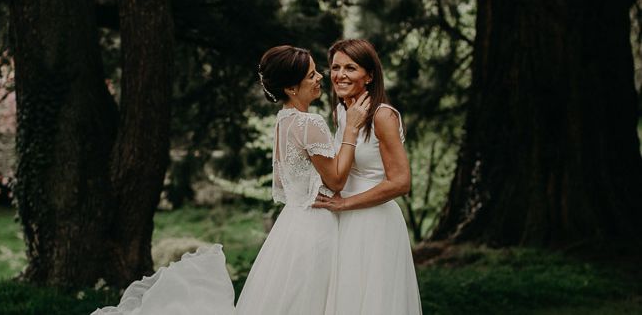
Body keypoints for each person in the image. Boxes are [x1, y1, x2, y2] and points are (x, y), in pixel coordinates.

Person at [92, 44, 369, 315]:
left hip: (292, 223)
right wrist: (352, 131)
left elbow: (284, 183)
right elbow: (335, 181)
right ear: (291, 88)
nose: (321, 77)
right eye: (311, 75)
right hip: (316, 225)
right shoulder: (311, 123)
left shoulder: (284, 121)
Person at [313, 38, 423, 315]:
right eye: (335, 67)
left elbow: (401, 182)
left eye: (351, 68)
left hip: (373, 221)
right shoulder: (342, 112)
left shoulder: (382, 116)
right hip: (343, 219)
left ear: (370, 75)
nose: (340, 75)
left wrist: (345, 204)